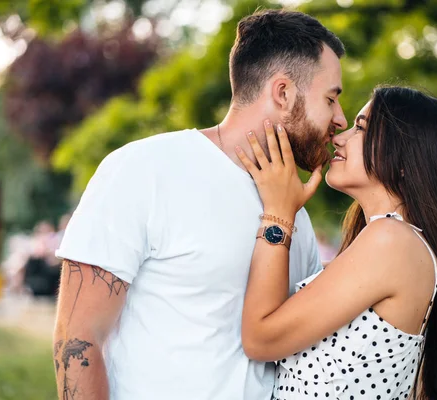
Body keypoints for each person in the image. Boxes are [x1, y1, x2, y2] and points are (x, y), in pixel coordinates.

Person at [53, 9, 347, 400]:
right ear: (283, 93)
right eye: (331, 99)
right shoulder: (145, 170)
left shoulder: (295, 218)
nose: (340, 120)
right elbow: (77, 339)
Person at [238, 86, 437, 400]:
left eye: (361, 129)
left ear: (405, 159)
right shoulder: (395, 243)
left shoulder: (392, 241)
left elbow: (260, 340)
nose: (340, 137)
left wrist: (278, 214)